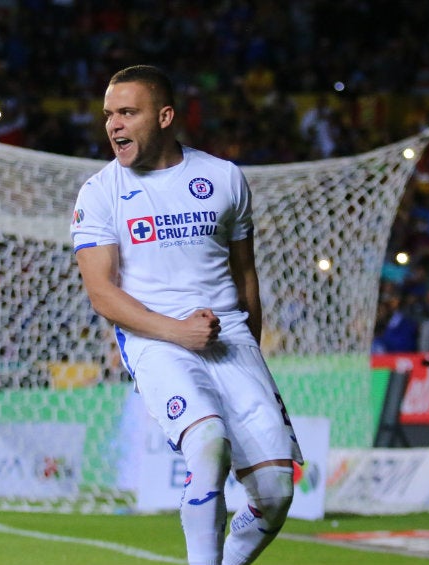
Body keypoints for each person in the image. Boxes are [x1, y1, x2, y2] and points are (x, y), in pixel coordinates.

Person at [70, 65, 302, 565]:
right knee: (208, 440)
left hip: (230, 340)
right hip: (155, 339)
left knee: (276, 492)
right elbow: (101, 294)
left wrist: (249, 353)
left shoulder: (223, 179)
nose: (114, 125)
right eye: (109, 114)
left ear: (165, 116)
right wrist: (178, 332)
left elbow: (246, 278)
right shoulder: (99, 192)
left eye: (128, 113)